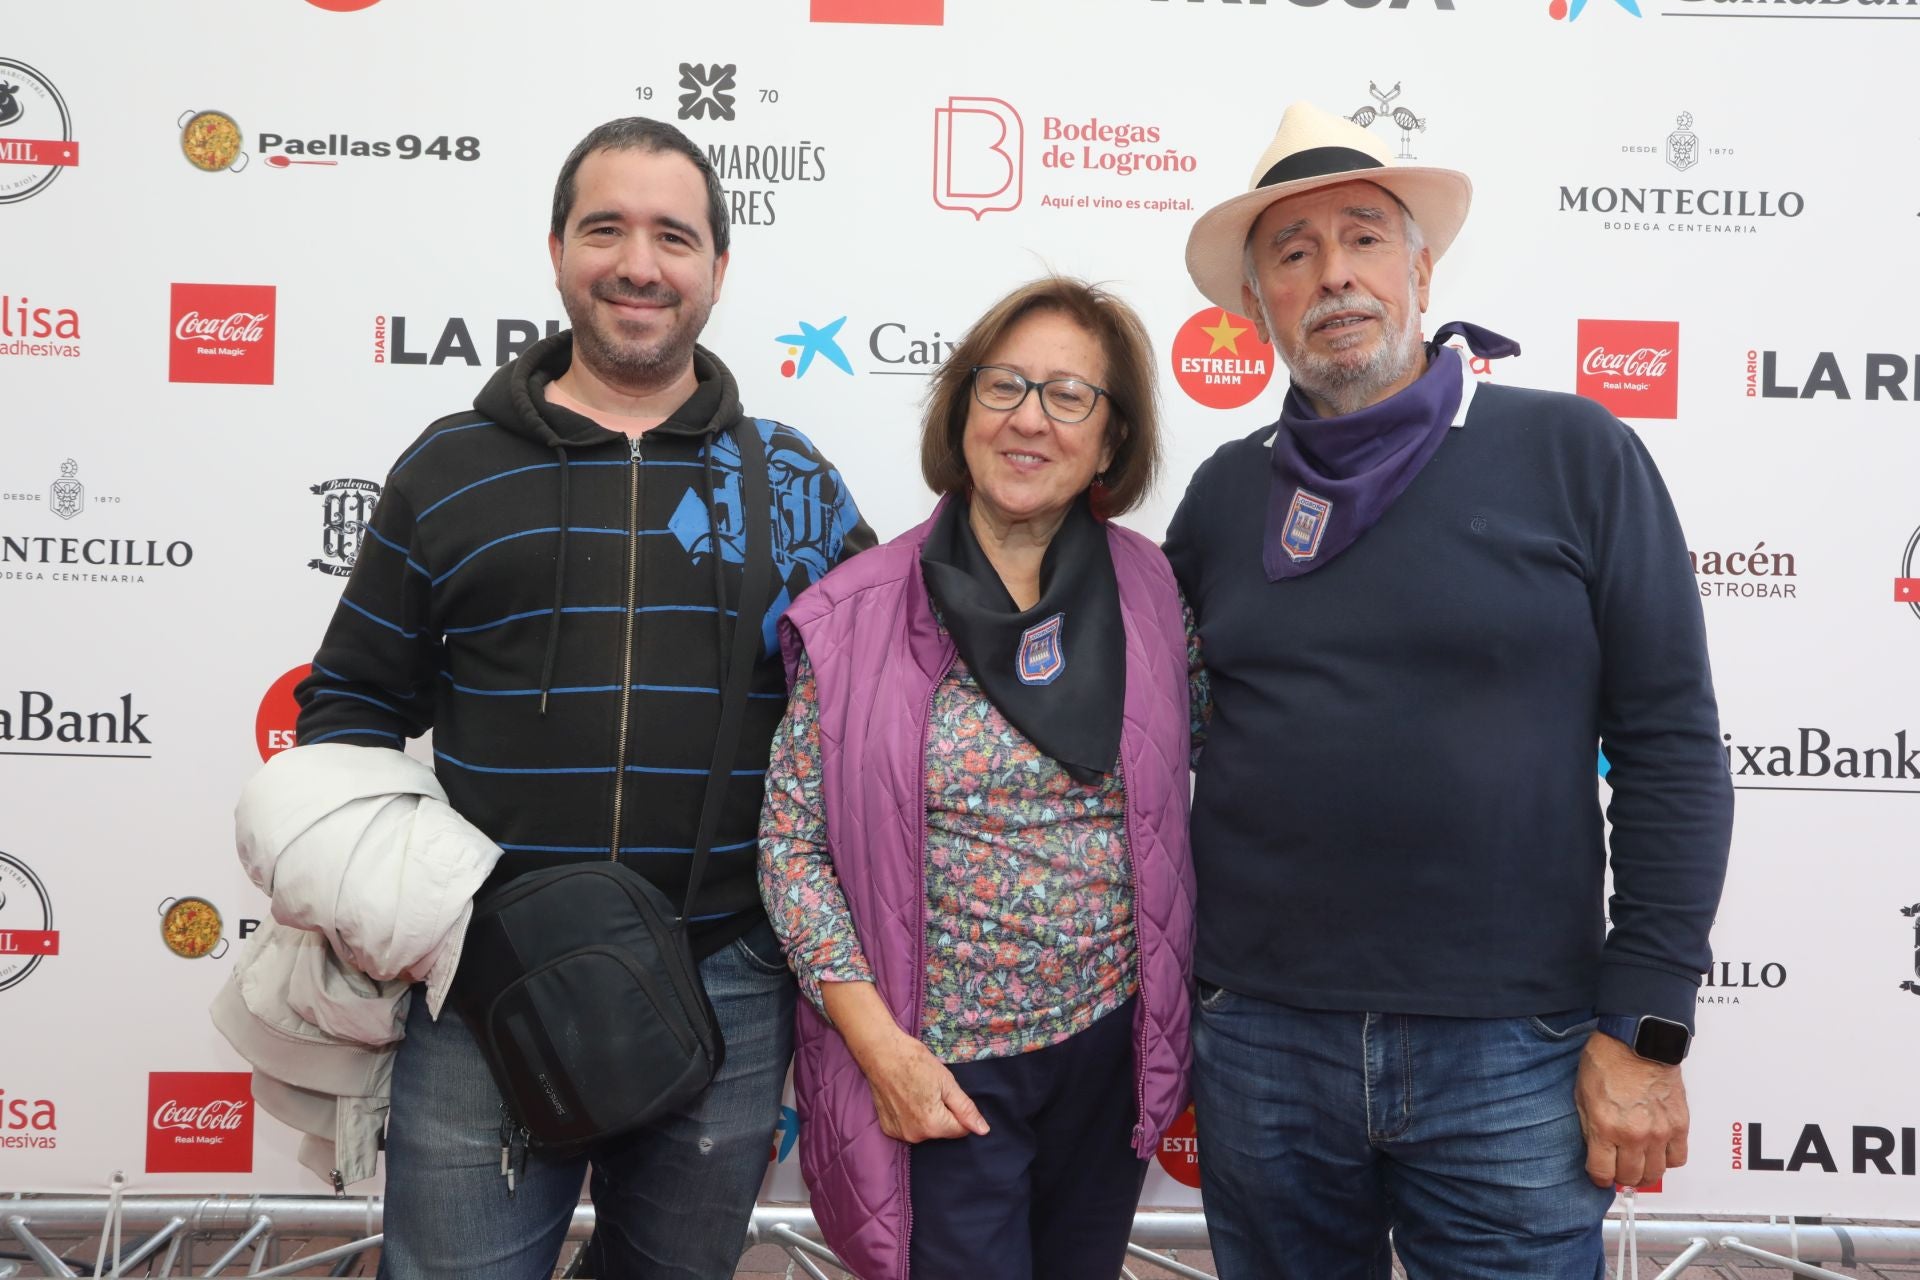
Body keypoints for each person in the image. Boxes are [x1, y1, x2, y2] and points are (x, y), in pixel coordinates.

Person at [290, 116, 873, 1280]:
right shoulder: (450, 469)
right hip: (483, 983)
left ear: (718, 267)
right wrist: (412, 905)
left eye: (674, 234)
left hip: (723, 981)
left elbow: (870, 719)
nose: (639, 263)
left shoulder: (794, 482)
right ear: (557, 250)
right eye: (605, 228)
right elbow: (348, 705)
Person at [1165, 102, 1734, 1279]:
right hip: (1261, 1037)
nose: (1335, 276)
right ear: (1257, 305)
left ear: (1422, 267)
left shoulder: (1575, 452)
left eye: (1366, 237)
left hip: (1515, 1048)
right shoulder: (1220, 498)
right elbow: (1141, 741)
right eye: (1293, 251)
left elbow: (1672, 744)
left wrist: (1647, 1025)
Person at [758, 277, 1200, 1280]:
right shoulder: (857, 609)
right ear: (959, 409)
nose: (1029, 418)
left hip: (1110, 1051)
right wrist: (883, 1049)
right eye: (1003, 386)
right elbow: (791, 846)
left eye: (1068, 394)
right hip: (941, 1068)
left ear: (1113, 439)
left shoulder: (1155, 591)